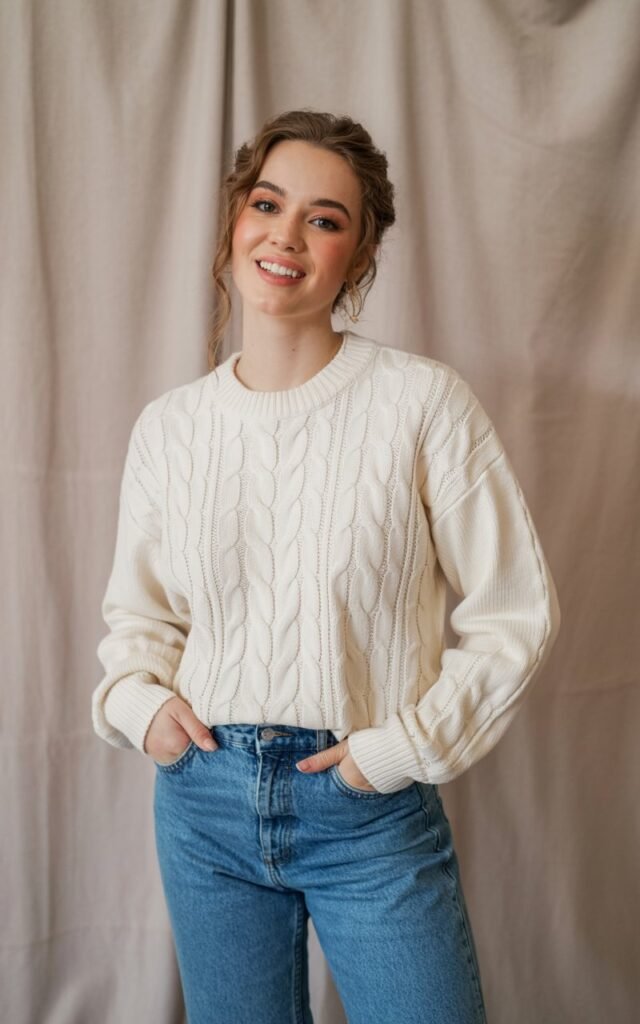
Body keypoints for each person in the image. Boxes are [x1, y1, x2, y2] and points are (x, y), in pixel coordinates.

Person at [92, 109, 561, 1024]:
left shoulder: (423, 404)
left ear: (361, 251)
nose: (287, 235)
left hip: (370, 812)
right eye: (268, 203)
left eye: (326, 217)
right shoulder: (171, 427)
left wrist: (400, 753)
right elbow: (138, 623)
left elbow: (517, 613)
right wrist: (139, 707)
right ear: (234, 219)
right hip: (205, 802)